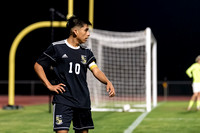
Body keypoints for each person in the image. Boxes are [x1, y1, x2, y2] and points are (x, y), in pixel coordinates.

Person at [34, 16, 115, 133]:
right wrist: (49, 85)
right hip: (63, 100)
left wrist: (107, 81)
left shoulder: (86, 52)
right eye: (86, 30)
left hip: (83, 101)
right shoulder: (57, 48)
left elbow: (95, 70)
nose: (88, 34)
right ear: (75, 31)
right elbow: (38, 65)